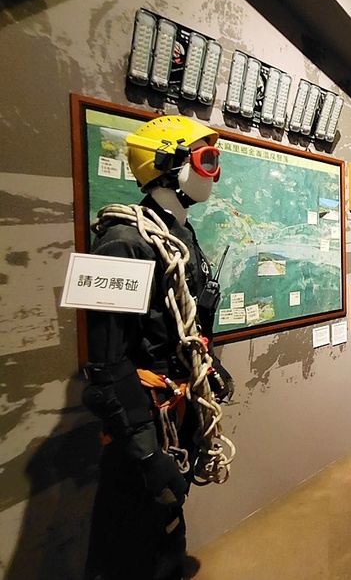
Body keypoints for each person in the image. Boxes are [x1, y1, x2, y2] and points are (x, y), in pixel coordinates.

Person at [83, 116, 235, 580]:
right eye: (207, 160)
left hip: (178, 408)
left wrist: (207, 367)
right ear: (168, 166)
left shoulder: (180, 236)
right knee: (132, 538)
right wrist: (147, 453)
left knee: (167, 526)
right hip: (145, 421)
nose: (215, 174)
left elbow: (180, 327)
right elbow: (106, 366)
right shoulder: (122, 244)